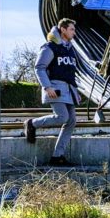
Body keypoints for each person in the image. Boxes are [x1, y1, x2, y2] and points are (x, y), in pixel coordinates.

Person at [24, 18, 80, 166]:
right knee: (62, 117)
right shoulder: (50, 47)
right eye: (71, 29)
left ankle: (57, 156)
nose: (74, 32)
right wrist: (47, 87)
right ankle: (32, 123)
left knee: (71, 121)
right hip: (55, 88)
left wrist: (75, 90)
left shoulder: (70, 49)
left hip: (69, 89)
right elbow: (39, 67)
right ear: (63, 29)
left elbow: (70, 71)